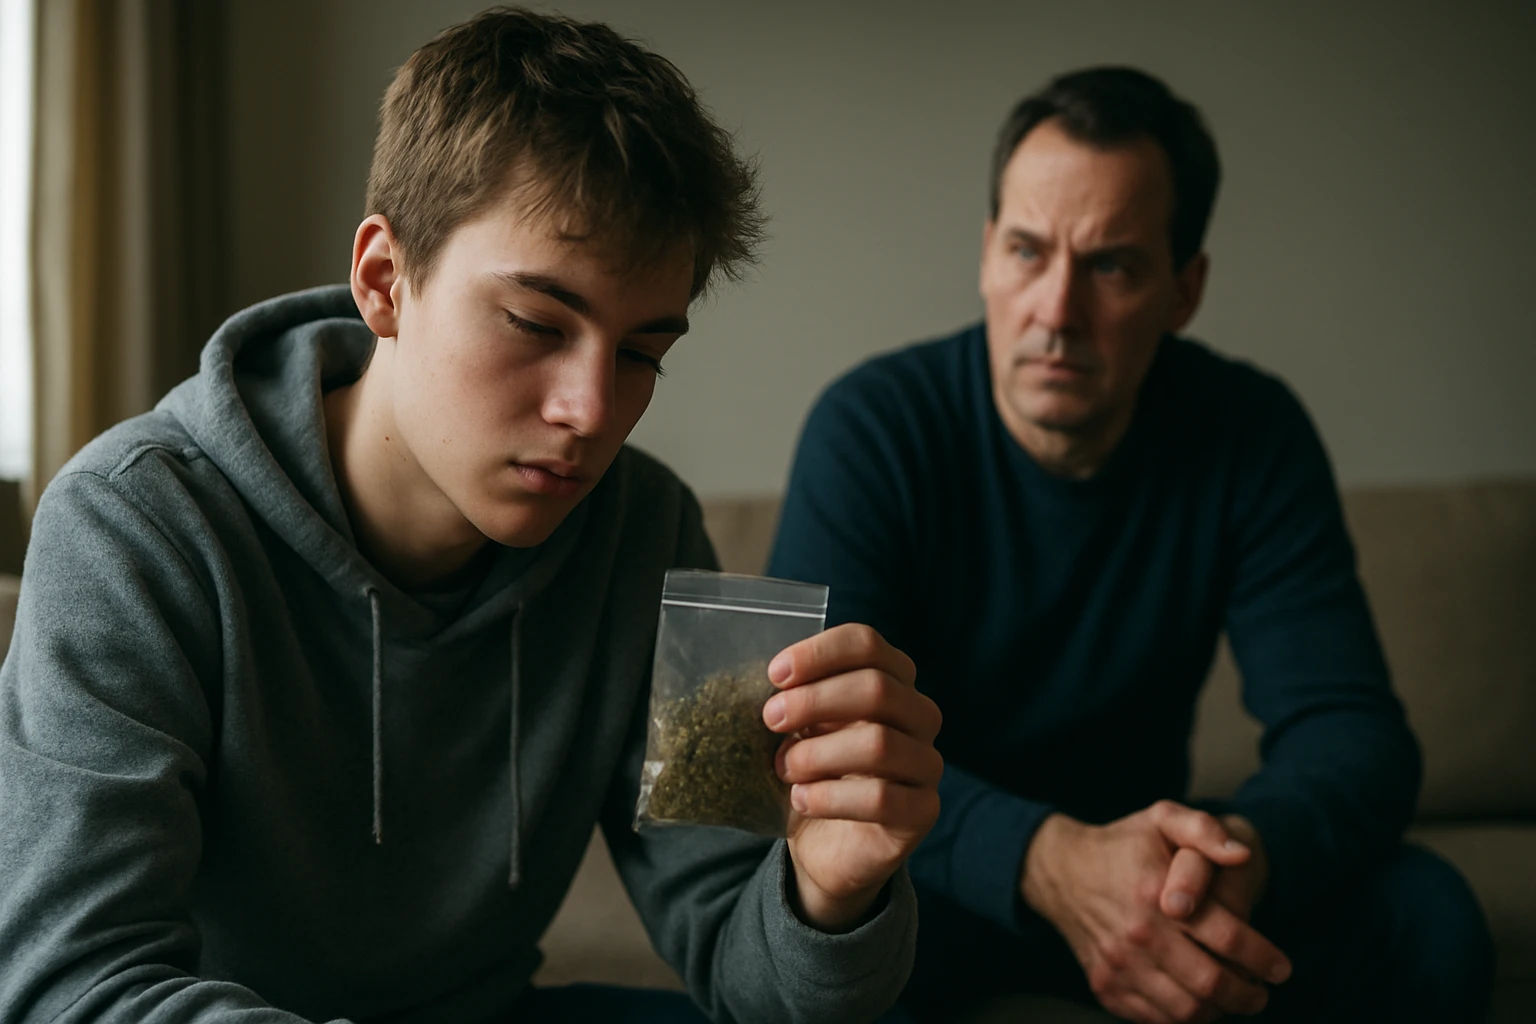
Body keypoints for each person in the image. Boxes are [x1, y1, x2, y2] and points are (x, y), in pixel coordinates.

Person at [0, 9, 942, 1024]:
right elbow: (71, 979)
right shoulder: (133, 527)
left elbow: (749, 972)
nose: (591, 413)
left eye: (640, 354)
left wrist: (827, 894)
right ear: (383, 280)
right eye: (537, 323)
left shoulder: (651, 533)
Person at [768, 66, 1493, 1023]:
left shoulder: (1249, 433)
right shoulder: (873, 428)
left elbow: (1355, 736)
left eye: (1111, 266)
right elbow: (819, 749)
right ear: (987, 255)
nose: (1056, 314)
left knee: (1427, 918)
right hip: (933, 880)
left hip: (1163, 887)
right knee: (820, 961)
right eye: (1028, 251)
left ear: (1184, 289)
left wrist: (1227, 858)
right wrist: (1046, 859)